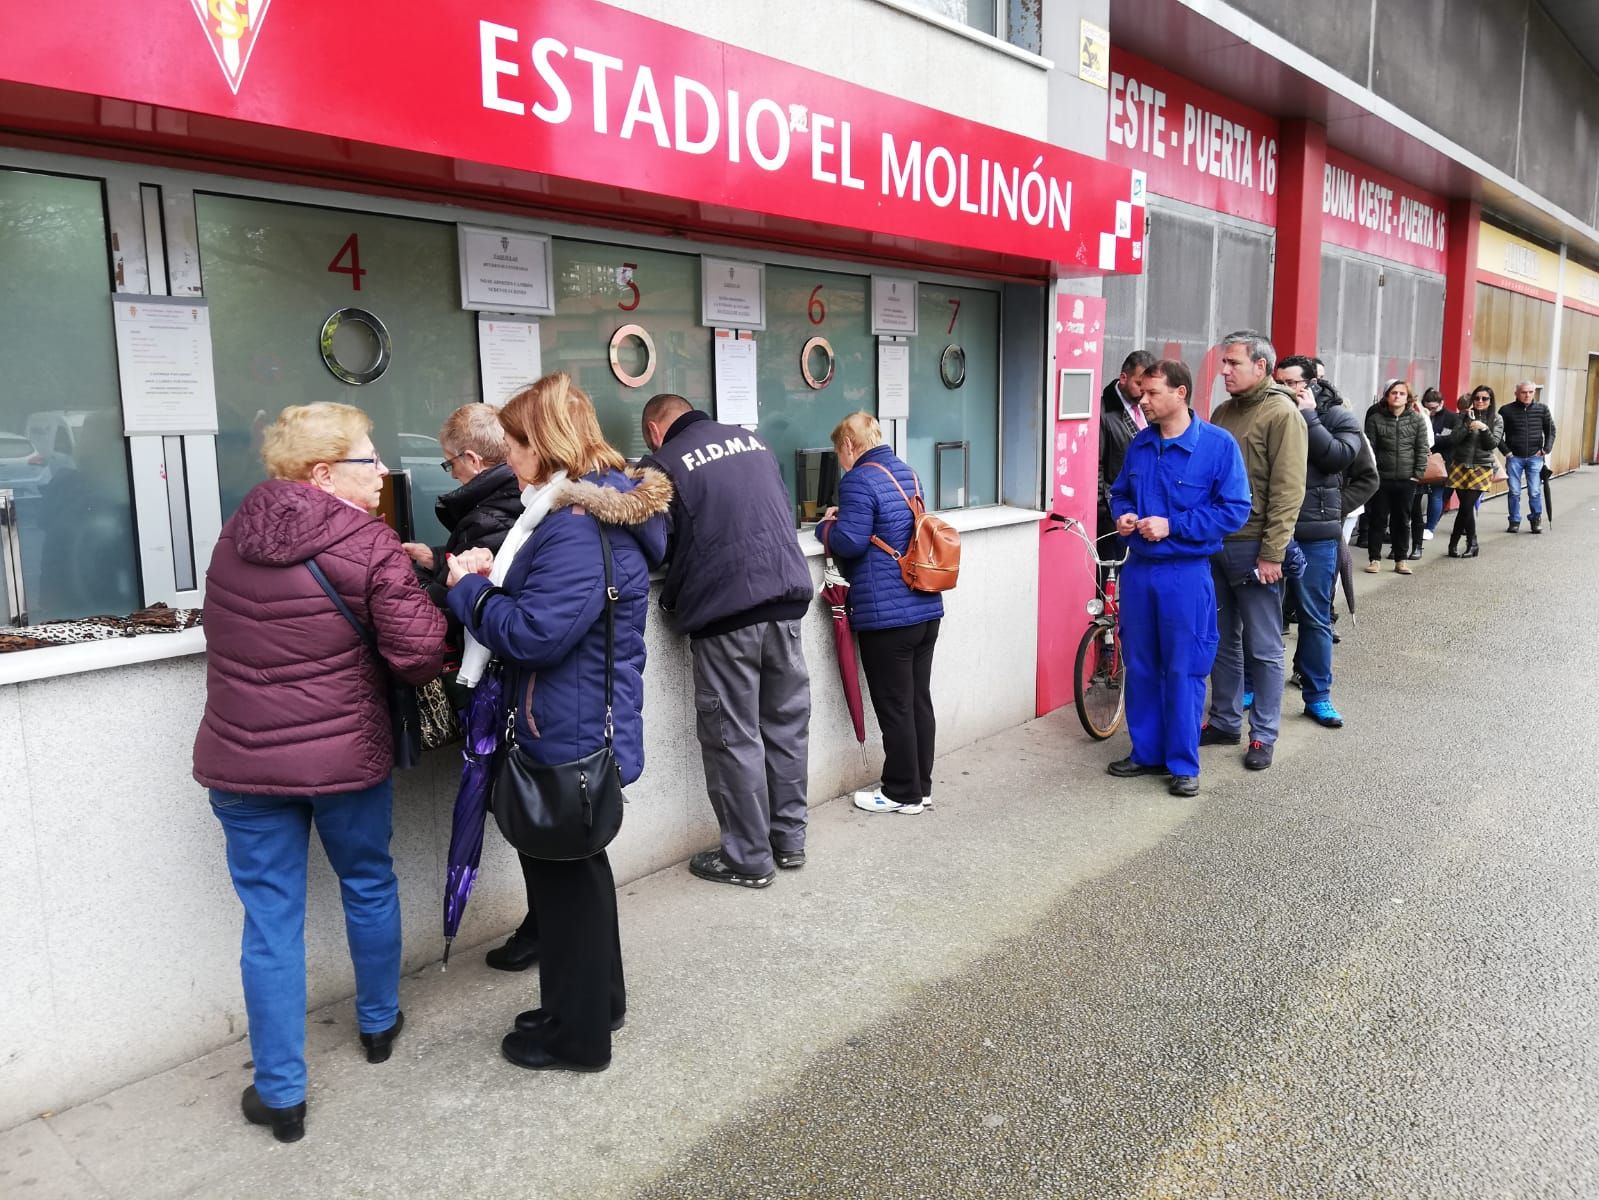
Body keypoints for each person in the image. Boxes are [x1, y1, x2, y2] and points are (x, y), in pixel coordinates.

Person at [194, 403, 446, 1143]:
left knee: (270, 921)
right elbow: (417, 657)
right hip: (342, 759)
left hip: (242, 761)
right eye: (369, 460)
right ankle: (377, 1024)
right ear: (323, 472)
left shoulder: (232, 538)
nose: (382, 474)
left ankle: (280, 1095)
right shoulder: (368, 545)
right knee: (367, 881)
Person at [445, 373, 669, 1074]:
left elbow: (537, 634)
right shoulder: (575, 514)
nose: (507, 457)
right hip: (571, 722)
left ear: (540, 445)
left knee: (566, 891)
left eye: (512, 443)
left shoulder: (571, 526)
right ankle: (593, 1006)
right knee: (579, 882)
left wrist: (469, 591)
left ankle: (577, 1039)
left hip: (564, 733)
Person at [639, 393, 814, 890]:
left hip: (726, 614)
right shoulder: (753, 442)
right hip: (786, 605)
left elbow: (657, 546)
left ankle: (748, 859)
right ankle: (790, 840)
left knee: (732, 737)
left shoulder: (665, 463)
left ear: (654, 429)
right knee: (786, 727)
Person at [398, 403, 534, 972]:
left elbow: (483, 608)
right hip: (520, 689)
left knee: (523, 810)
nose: (448, 473)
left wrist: (434, 584)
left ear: (473, 459)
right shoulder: (507, 507)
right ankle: (546, 923)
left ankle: (544, 926)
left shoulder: (492, 514)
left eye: (451, 463)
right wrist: (439, 561)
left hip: (504, 690)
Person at [1105, 359, 1250, 797]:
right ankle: (1146, 752)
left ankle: (1183, 762)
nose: (1142, 400)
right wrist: (1123, 514)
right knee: (1142, 664)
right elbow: (1120, 491)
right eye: (1141, 393)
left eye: (1151, 393)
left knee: (1184, 668)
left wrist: (1174, 525)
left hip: (1185, 575)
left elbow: (1235, 509)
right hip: (1139, 572)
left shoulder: (1218, 446)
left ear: (1180, 393)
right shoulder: (1141, 444)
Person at [815, 412, 942, 814]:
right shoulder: (908, 473)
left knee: (895, 704)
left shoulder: (857, 479)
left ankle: (900, 790)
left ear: (849, 445)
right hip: (924, 604)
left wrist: (825, 528)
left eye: (840, 451)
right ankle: (920, 786)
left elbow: (850, 542)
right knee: (918, 699)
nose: (841, 460)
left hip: (887, 615)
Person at [1204, 330, 1307, 771]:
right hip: (1216, 543)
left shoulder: (1283, 414)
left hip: (1256, 550)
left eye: (1233, 363)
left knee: (1264, 647)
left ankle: (1263, 735)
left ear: (1261, 366)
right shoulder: (1223, 412)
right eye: (1224, 363)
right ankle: (1225, 720)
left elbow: (1288, 490)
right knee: (1223, 641)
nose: (1224, 371)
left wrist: (1273, 553)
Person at [1275, 354, 1366, 729]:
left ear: (1310, 383)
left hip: (1315, 536)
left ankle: (1318, 696)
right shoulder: (1268, 411)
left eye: (1292, 382)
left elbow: (1339, 458)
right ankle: (1250, 686)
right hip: (1269, 531)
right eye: (1279, 380)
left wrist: (1310, 417)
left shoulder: (1337, 416)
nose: (1283, 388)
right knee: (1261, 617)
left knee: (1315, 619)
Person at [1361, 380, 1429, 575]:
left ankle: (1401, 559)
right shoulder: (1376, 419)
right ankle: (1374, 559)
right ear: (1387, 396)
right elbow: (1369, 449)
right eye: (1393, 393)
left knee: (1402, 520)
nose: (1397, 396)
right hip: (1382, 478)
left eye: (1401, 393)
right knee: (1378, 519)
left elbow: (1422, 448)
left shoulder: (1417, 420)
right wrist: (1371, 474)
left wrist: (1417, 475)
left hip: (1407, 479)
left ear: (1408, 398)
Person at [1098, 350, 1156, 558]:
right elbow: (1097, 467)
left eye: (1149, 387)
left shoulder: (1151, 408)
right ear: (1123, 378)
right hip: (1115, 514)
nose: (1144, 392)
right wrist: (1108, 513)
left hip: (1144, 512)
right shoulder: (1102, 411)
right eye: (1139, 384)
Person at [1446, 389, 1504, 558]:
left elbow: (1492, 444)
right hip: (1460, 465)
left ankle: (1456, 542)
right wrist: (1467, 426)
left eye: (1484, 398)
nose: (1480, 401)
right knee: (1466, 508)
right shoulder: (1463, 416)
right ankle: (1470, 544)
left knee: (1466, 506)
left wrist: (1485, 428)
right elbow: (1453, 440)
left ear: (1490, 400)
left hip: (1482, 466)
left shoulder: (1496, 419)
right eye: (1477, 398)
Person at [1499, 379, 1555, 533]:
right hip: (1514, 457)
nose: (1527, 395)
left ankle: (1536, 519)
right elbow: (1497, 434)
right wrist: (1507, 452)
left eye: (1531, 392)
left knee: (1534, 490)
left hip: (1535, 456)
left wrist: (1546, 449)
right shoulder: (1506, 411)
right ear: (1516, 393)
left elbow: (1551, 431)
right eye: (1524, 392)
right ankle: (1514, 521)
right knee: (1514, 491)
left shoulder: (1542, 409)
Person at [1419, 388, 1458, 541]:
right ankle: (1419, 525)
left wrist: (1433, 440)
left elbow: (1452, 439)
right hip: (1421, 459)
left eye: (1434, 408)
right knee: (1416, 496)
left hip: (1441, 461)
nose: (1430, 411)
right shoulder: (1419, 415)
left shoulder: (1451, 418)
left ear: (1442, 403)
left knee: (1436, 495)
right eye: (1427, 407)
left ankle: (1429, 527)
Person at [1405, 391, 1439, 559]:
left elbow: (1429, 441)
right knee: (1398, 511)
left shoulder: (1420, 415)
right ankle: (1400, 546)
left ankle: (1417, 545)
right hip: (1396, 468)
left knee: (1415, 509)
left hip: (1415, 467)